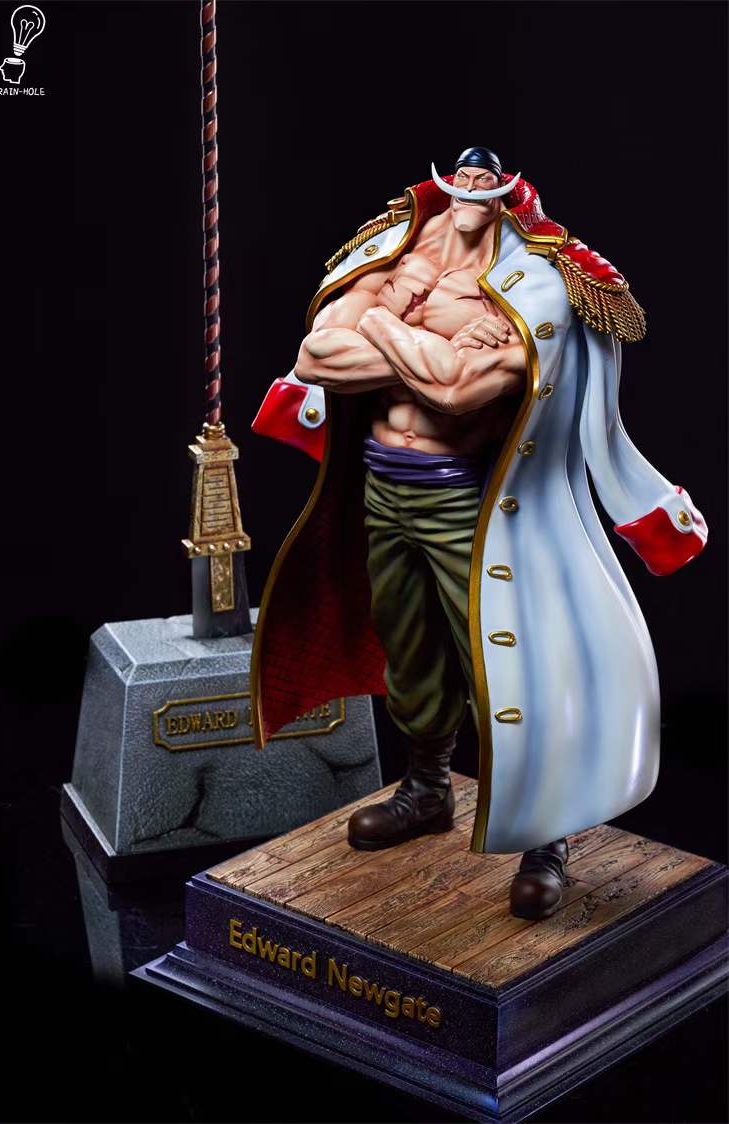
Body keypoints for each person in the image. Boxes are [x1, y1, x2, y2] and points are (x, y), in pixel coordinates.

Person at [250, 147, 708, 920]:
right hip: (385, 490)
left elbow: (457, 391)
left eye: (480, 188)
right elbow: (317, 355)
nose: (465, 197)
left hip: (475, 503)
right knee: (410, 651)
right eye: (456, 184)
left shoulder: (540, 286)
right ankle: (427, 788)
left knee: (517, 669)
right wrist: (420, 342)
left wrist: (382, 320)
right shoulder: (397, 249)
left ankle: (548, 836)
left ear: (504, 197)